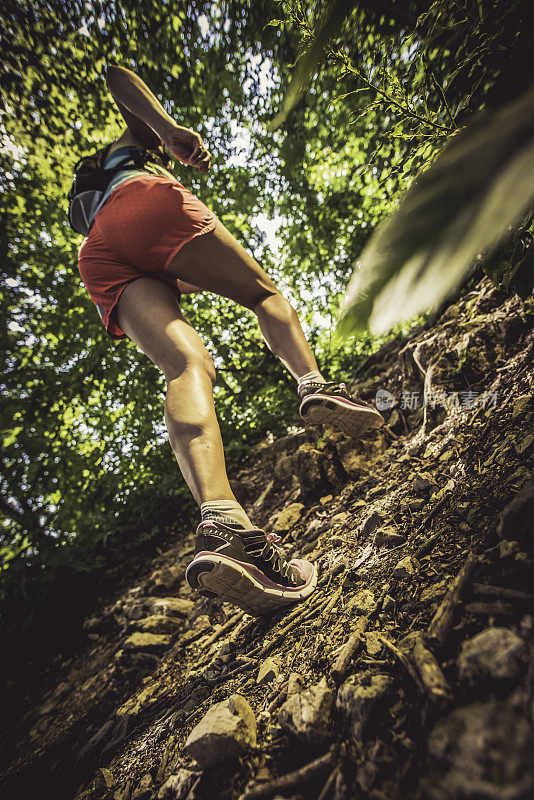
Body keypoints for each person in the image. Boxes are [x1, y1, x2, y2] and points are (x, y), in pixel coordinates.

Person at [76, 65, 384, 615]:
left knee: (185, 365)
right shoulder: (139, 146)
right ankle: (313, 384)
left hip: (100, 250)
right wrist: (168, 131)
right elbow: (117, 74)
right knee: (264, 293)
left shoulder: (94, 196)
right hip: (145, 201)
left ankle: (223, 522)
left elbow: (178, 272)